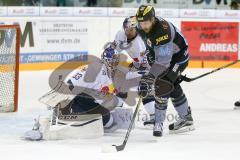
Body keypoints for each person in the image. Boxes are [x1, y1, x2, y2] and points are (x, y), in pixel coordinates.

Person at [136, 5, 194, 137]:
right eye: (141, 22)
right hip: (163, 56)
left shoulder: (162, 32)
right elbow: (148, 42)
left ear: (153, 19)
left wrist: (149, 77)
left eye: (146, 22)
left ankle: (159, 123)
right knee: (171, 85)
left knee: (164, 83)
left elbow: (163, 62)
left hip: (179, 57)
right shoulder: (139, 25)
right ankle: (186, 118)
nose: (143, 26)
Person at [114, 16, 156, 126]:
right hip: (137, 63)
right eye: (126, 29)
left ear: (136, 28)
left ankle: (154, 117)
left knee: (145, 89)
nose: (128, 32)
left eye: (131, 30)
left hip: (150, 65)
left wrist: (144, 77)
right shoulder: (120, 34)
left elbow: (146, 65)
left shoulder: (141, 43)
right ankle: (116, 113)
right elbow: (116, 50)